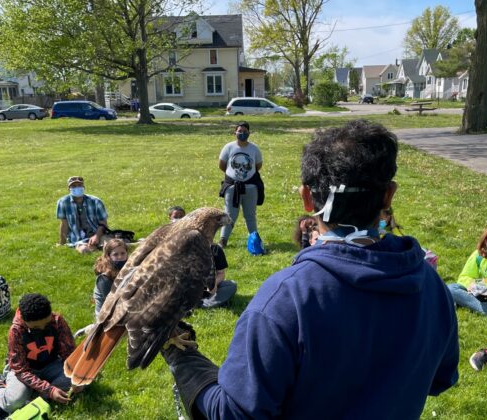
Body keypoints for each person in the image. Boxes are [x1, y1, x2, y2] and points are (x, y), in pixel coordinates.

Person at [162, 120, 459, 418]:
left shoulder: (285, 300)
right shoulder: (431, 285)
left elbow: (235, 414)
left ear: (307, 197)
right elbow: (441, 378)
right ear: (388, 195)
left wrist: (187, 363)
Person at [0, 293, 81, 414]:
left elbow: (69, 353)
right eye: (36, 327)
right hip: (24, 371)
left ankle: (36, 394)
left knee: (79, 381)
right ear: (24, 320)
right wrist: (49, 390)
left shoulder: (57, 321)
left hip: (51, 365)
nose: (42, 329)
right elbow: (20, 370)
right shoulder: (16, 331)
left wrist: (78, 377)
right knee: (12, 403)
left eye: (46, 324)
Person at [169, 206, 237, 308]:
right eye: (176, 216)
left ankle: (204, 304)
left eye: (182, 216)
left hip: (207, 289)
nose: (179, 219)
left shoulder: (215, 249)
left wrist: (214, 284)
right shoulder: (174, 247)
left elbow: (221, 273)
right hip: (183, 289)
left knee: (231, 285)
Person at [217, 121, 264, 248]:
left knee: (250, 215)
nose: (242, 133)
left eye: (245, 131)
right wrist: (233, 176)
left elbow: (258, 165)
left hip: (251, 187)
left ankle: (254, 240)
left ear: (249, 133)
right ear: (235, 132)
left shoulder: (254, 148)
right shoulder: (228, 147)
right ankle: (223, 240)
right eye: (240, 131)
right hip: (232, 187)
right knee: (229, 214)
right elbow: (222, 165)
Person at [56, 176, 109, 254]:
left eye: (79, 185)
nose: (77, 188)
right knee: (84, 250)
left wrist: (97, 236)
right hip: (78, 239)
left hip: (98, 234)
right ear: (69, 189)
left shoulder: (96, 201)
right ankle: (94, 248)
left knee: (113, 246)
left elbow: (103, 223)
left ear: (83, 187)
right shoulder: (63, 202)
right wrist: (62, 243)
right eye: (73, 186)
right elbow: (64, 224)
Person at [93, 238, 129, 316]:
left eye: (123, 253)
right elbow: (111, 304)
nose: (120, 257)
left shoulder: (130, 268)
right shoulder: (104, 278)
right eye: (115, 254)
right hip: (106, 316)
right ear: (108, 256)